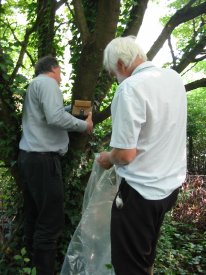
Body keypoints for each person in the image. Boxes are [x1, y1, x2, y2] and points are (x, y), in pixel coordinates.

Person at [97, 36, 187, 275]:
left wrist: (107, 158)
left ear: (119, 65)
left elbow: (125, 155)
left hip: (140, 194)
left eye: (111, 72)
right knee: (145, 256)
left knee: (128, 267)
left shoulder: (130, 88)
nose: (114, 77)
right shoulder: (173, 78)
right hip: (169, 188)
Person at [17, 56, 93, 275]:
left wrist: (73, 108)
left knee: (35, 214)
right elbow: (54, 118)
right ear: (53, 69)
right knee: (51, 220)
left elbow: (49, 113)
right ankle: (44, 271)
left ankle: (30, 266)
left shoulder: (35, 85)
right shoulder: (48, 83)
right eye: (60, 72)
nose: (61, 77)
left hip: (30, 157)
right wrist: (83, 125)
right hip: (43, 160)